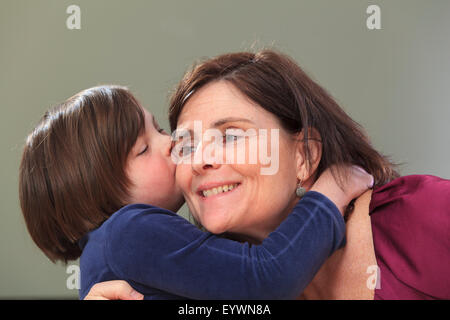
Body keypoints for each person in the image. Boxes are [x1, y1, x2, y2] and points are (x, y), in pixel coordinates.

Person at [87, 50, 450, 300]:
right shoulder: (202, 284)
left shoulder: (424, 213)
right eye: (187, 145)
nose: (200, 161)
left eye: (230, 135)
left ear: (304, 156)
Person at [18, 85, 373, 300]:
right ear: (95, 192)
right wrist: (328, 194)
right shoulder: (128, 231)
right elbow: (265, 280)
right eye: (144, 147)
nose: (171, 142)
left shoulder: (107, 257)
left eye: (159, 128)